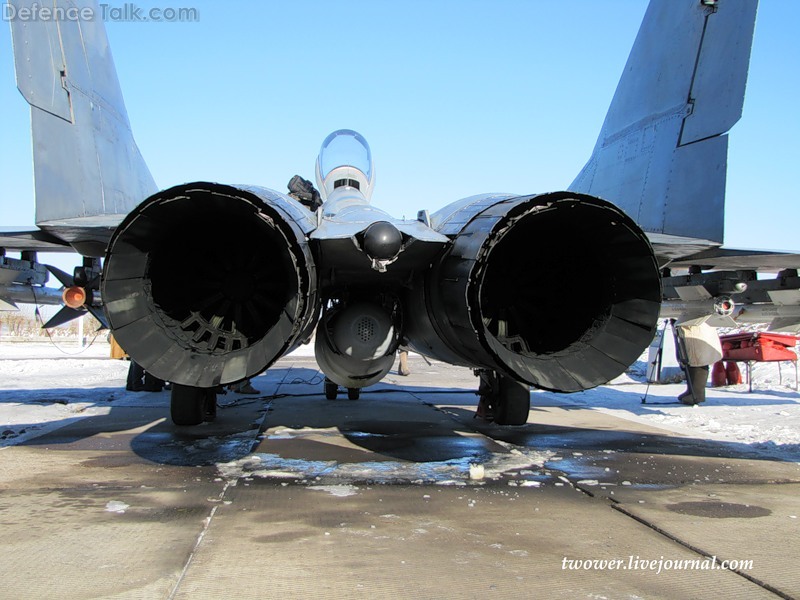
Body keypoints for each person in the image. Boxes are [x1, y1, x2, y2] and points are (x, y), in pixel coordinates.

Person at [674, 321, 723, 405]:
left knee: (697, 359)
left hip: (696, 328)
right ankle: (691, 391)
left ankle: (696, 394)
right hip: (693, 327)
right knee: (691, 359)